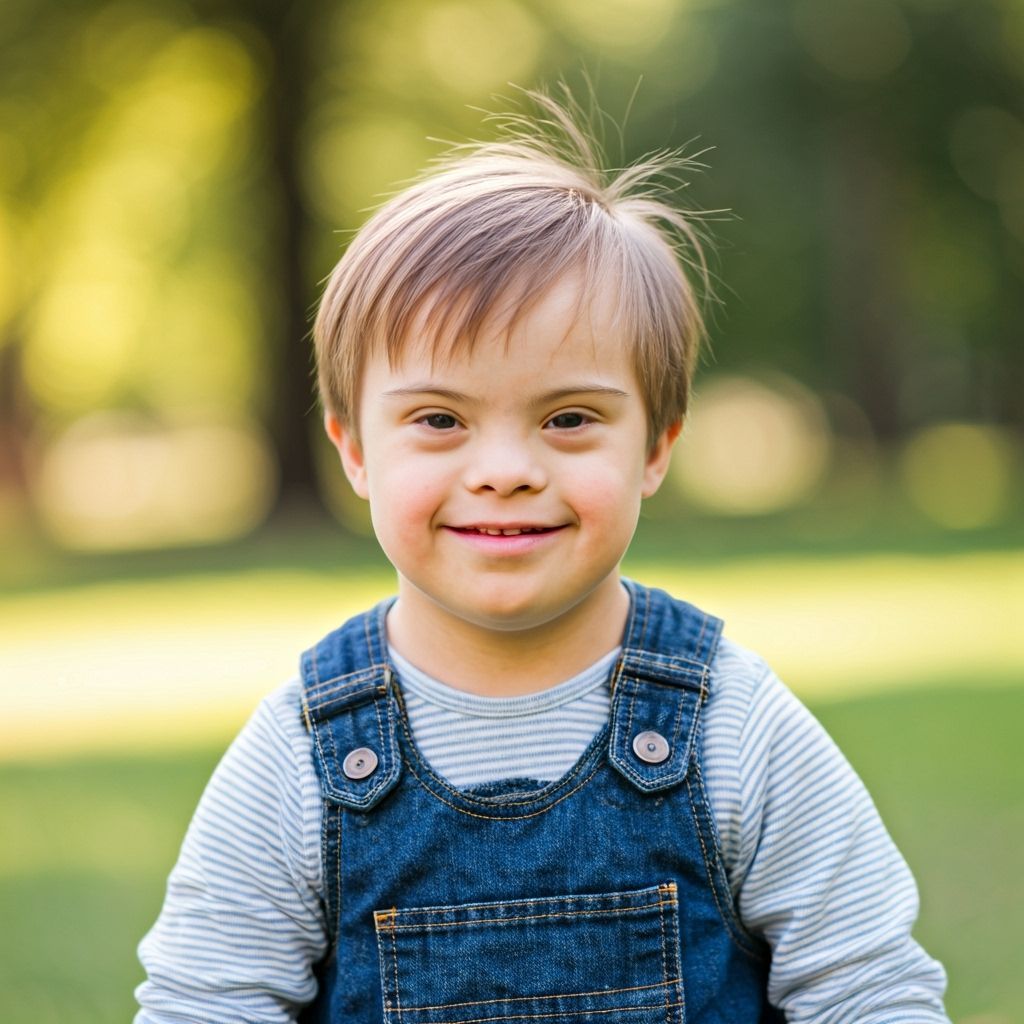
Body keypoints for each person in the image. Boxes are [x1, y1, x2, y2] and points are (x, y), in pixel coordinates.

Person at [134, 91, 951, 1023]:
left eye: (568, 418)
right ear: (354, 449)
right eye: (439, 419)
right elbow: (204, 1005)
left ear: (655, 447)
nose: (506, 471)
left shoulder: (732, 727)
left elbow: (867, 990)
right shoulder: (300, 756)